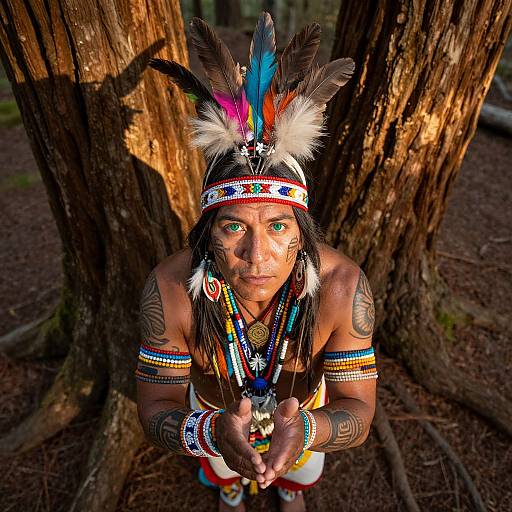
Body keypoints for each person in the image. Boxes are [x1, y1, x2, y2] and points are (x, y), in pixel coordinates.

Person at [136, 12, 377, 512]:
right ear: (209, 228)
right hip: (213, 420)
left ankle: (288, 491)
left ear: (301, 230)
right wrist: (210, 431)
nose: (257, 256)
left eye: (278, 226)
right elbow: (155, 406)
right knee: (226, 470)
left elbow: (358, 410)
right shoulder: (170, 289)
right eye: (234, 227)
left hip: (306, 417)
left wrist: (306, 428)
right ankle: (230, 490)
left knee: (299, 474)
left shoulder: (342, 288)